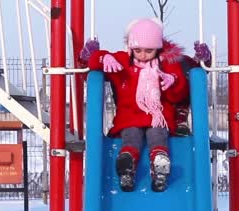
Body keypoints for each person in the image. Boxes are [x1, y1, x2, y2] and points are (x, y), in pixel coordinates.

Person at [81, 18, 189, 192]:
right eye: (137, 50)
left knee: (157, 135)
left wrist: (174, 82)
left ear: (159, 48)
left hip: (157, 117)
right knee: (131, 135)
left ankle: (160, 164)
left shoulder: (167, 65)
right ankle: (126, 164)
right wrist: (104, 56)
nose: (143, 55)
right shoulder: (123, 62)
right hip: (129, 118)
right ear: (130, 48)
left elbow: (179, 95)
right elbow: (94, 61)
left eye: (149, 50)